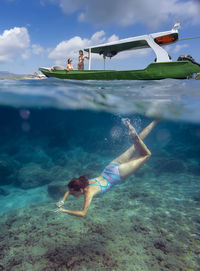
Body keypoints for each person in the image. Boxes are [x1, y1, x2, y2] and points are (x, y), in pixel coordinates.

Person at [55, 119, 158, 217]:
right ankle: (155, 121)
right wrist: (62, 201)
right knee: (135, 145)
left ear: (81, 190)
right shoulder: (82, 182)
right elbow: (69, 191)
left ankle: (134, 134)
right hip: (110, 168)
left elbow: (83, 213)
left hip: (117, 175)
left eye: (74, 193)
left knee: (146, 155)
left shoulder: (88, 193)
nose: (72, 194)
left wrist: (63, 210)